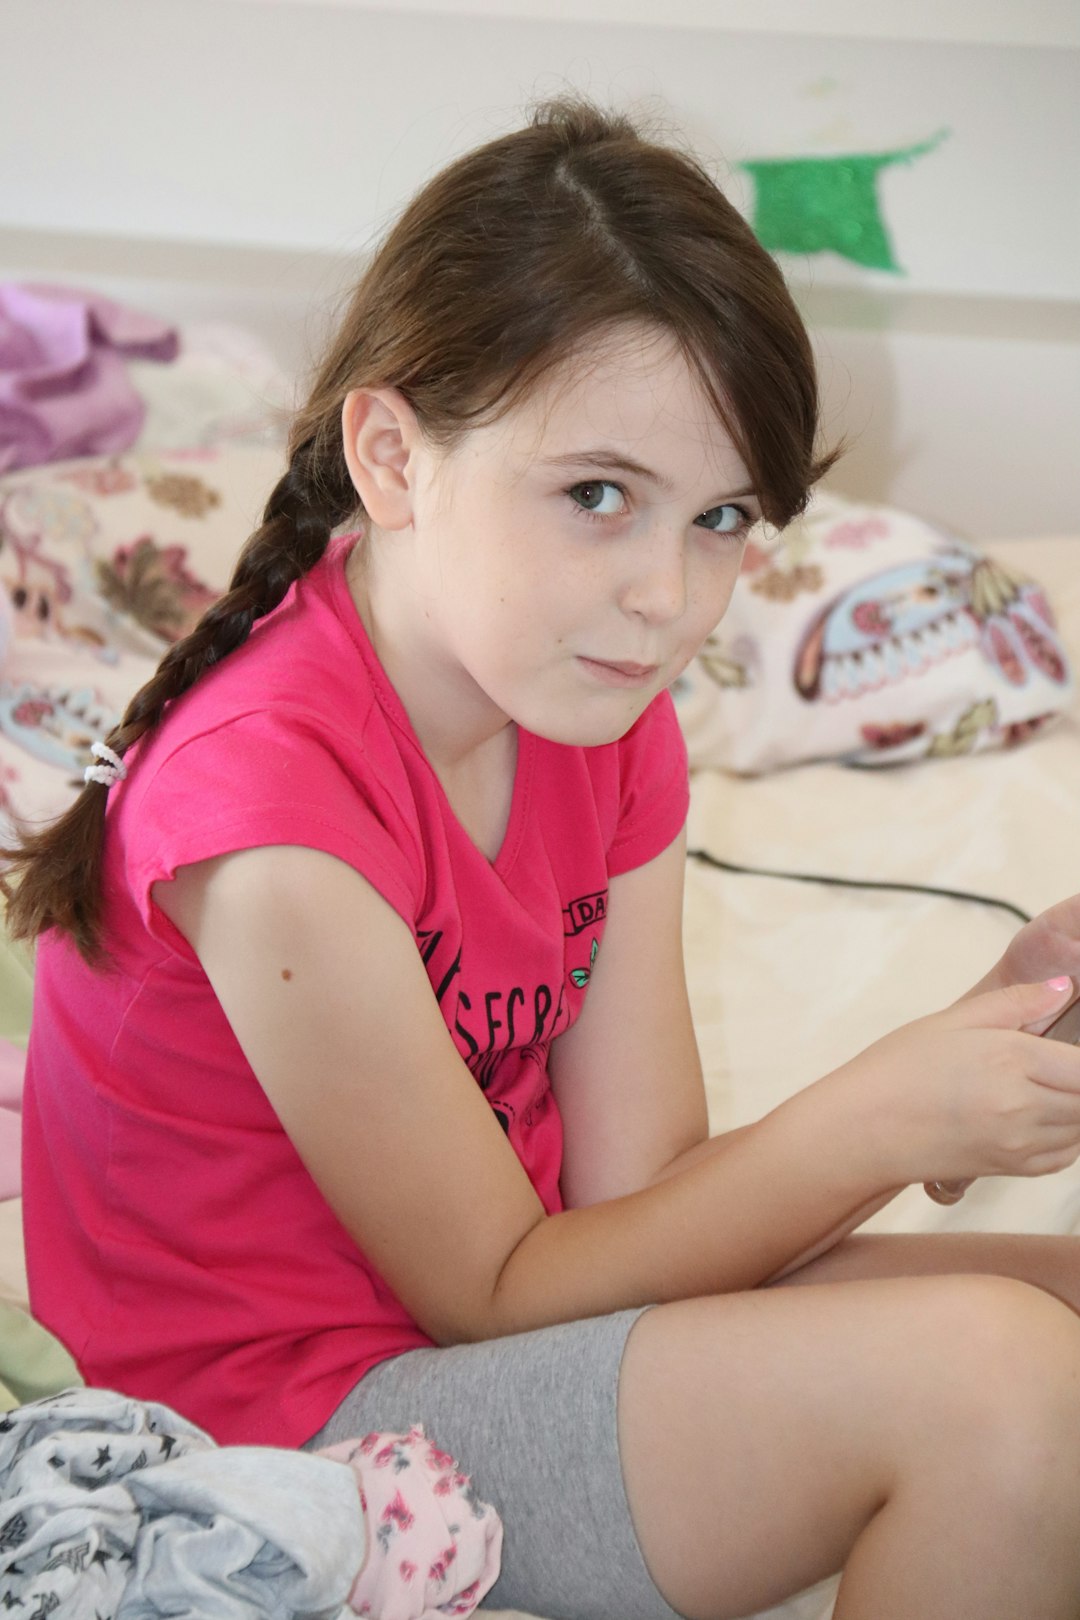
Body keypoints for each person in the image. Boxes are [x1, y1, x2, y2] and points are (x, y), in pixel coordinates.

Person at [6, 93, 1080, 1620]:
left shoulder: (599, 714)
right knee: (1000, 1389)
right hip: (295, 1422)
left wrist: (976, 1044)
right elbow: (495, 1289)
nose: (669, 598)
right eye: (598, 496)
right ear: (392, 455)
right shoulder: (270, 817)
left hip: (514, 1319)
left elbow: (650, 1202)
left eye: (721, 518)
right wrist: (879, 1120)